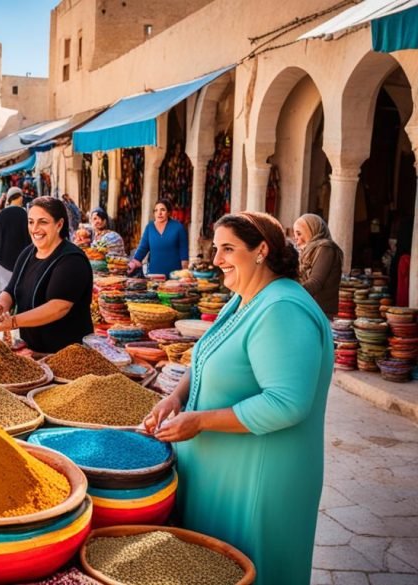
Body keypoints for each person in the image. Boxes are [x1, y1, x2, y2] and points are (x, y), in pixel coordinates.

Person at [143, 211, 332, 585]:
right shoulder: (245, 297)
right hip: (223, 472)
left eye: (228, 249)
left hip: (260, 477)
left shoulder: (282, 308)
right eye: (216, 249)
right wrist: (177, 398)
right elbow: (208, 355)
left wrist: (199, 421)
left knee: (253, 568)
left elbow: (287, 402)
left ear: (261, 250)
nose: (216, 261)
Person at [0, 197, 93, 354]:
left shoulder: (72, 260)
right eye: (31, 222)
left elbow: (58, 308)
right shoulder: (27, 253)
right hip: (35, 351)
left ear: (59, 224)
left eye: (43, 222)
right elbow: (11, 289)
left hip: (68, 355)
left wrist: (12, 322)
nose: (35, 229)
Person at [293, 213, 344, 316]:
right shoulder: (308, 251)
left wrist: (290, 292)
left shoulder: (326, 248)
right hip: (309, 308)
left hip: (319, 312)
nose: (296, 239)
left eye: (299, 233)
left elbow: (315, 283)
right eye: (295, 235)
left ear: (311, 230)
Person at [128, 199, 189, 277]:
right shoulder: (150, 227)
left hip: (174, 276)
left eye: (163, 210)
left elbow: (184, 252)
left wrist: (184, 274)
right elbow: (143, 248)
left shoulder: (178, 227)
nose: (159, 213)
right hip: (154, 275)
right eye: (156, 210)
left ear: (169, 212)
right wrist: (133, 262)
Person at [0, 187, 30, 293]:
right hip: (21, 261)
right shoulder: (24, 214)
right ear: (19, 197)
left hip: (2, 261)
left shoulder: (2, 214)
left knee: (3, 294)